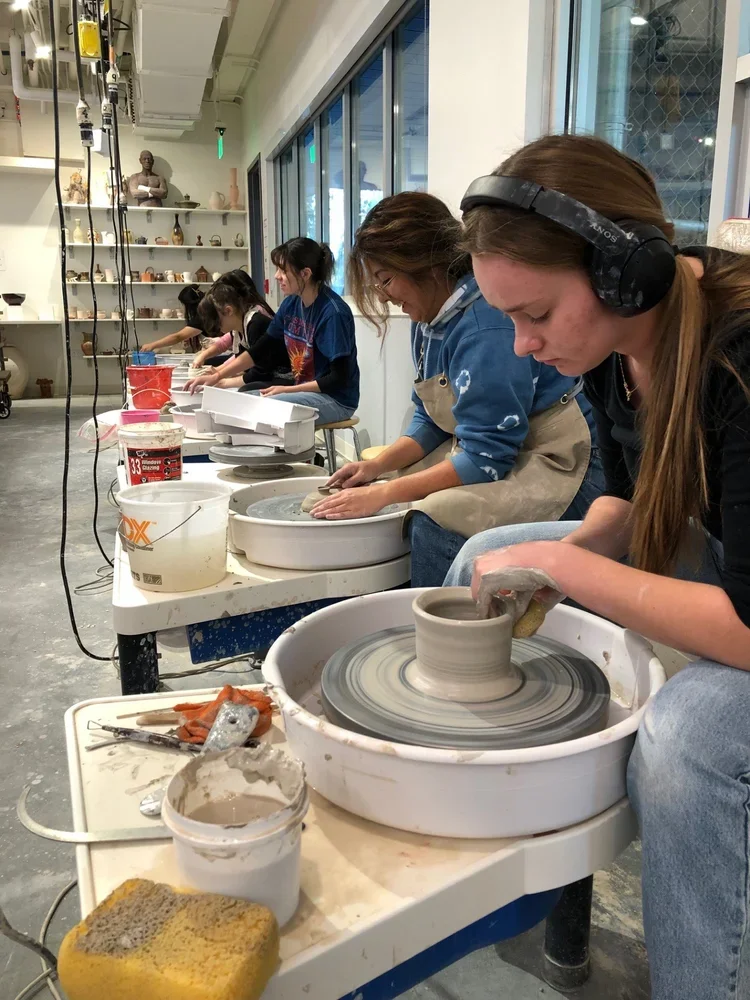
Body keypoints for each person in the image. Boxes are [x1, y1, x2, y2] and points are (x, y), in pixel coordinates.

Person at [443, 133, 750, 1000]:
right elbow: (624, 505)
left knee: (687, 740)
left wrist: (563, 568)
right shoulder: (621, 354)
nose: (524, 344)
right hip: (729, 558)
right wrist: (551, 559)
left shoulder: (739, 355)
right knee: (484, 559)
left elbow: (747, 629)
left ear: (625, 273)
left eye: (535, 315)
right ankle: (533, 893)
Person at [310, 191, 603, 587]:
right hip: (505, 447)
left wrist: (384, 494)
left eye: (385, 279)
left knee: (434, 517)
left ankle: (438, 628)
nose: (383, 295)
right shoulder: (430, 320)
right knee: (392, 487)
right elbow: (429, 418)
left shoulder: (485, 327)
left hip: (562, 459)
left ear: (425, 264)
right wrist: (376, 469)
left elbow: (487, 459)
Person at [236, 238, 360, 426]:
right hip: (306, 392)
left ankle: (299, 455)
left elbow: (338, 378)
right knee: (244, 399)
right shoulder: (291, 303)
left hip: (336, 400)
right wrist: (217, 376)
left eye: (283, 270)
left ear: (305, 274)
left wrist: (286, 391)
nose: (277, 276)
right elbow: (262, 348)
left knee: (264, 407)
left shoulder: (333, 313)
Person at [183, 271, 292, 391]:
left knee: (244, 390)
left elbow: (260, 373)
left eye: (215, 319)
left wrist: (222, 381)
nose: (215, 327)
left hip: (285, 377)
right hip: (269, 376)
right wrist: (217, 376)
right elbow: (245, 362)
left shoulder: (256, 322)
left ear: (228, 310)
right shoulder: (240, 325)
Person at [142, 284, 207, 356]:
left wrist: (152, 345)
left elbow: (177, 337)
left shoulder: (202, 317)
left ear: (190, 305)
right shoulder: (206, 313)